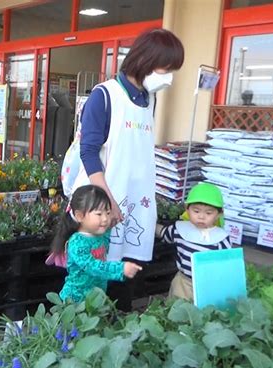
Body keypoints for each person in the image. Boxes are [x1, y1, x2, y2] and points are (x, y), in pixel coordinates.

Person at [65, 28, 184, 310]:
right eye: (165, 68)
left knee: (127, 274)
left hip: (134, 202)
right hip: (101, 204)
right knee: (93, 272)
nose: (168, 77)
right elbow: (89, 152)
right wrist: (108, 202)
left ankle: (119, 331)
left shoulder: (148, 100)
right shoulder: (105, 96)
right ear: (144, 59)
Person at [51, 185, 143, 303]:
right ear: (80, 216)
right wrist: (120, 269)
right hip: (76, 302)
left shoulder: (99, 236)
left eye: (108, 212)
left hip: (95, 300)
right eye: (99, 214)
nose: (105, 218)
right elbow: (92, 266)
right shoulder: (77, 242)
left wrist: (113, 223)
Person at [155, 183, 231, 301]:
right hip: (183, 282)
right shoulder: (179, 230)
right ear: (187, 209)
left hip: (208, 285)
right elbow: (164, 233)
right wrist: (149, 224)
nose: (201, 216)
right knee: (176, 310)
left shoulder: (221, 239)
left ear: (219, 214)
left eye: (208, 213)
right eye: (196, 211)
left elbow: (226, 266)